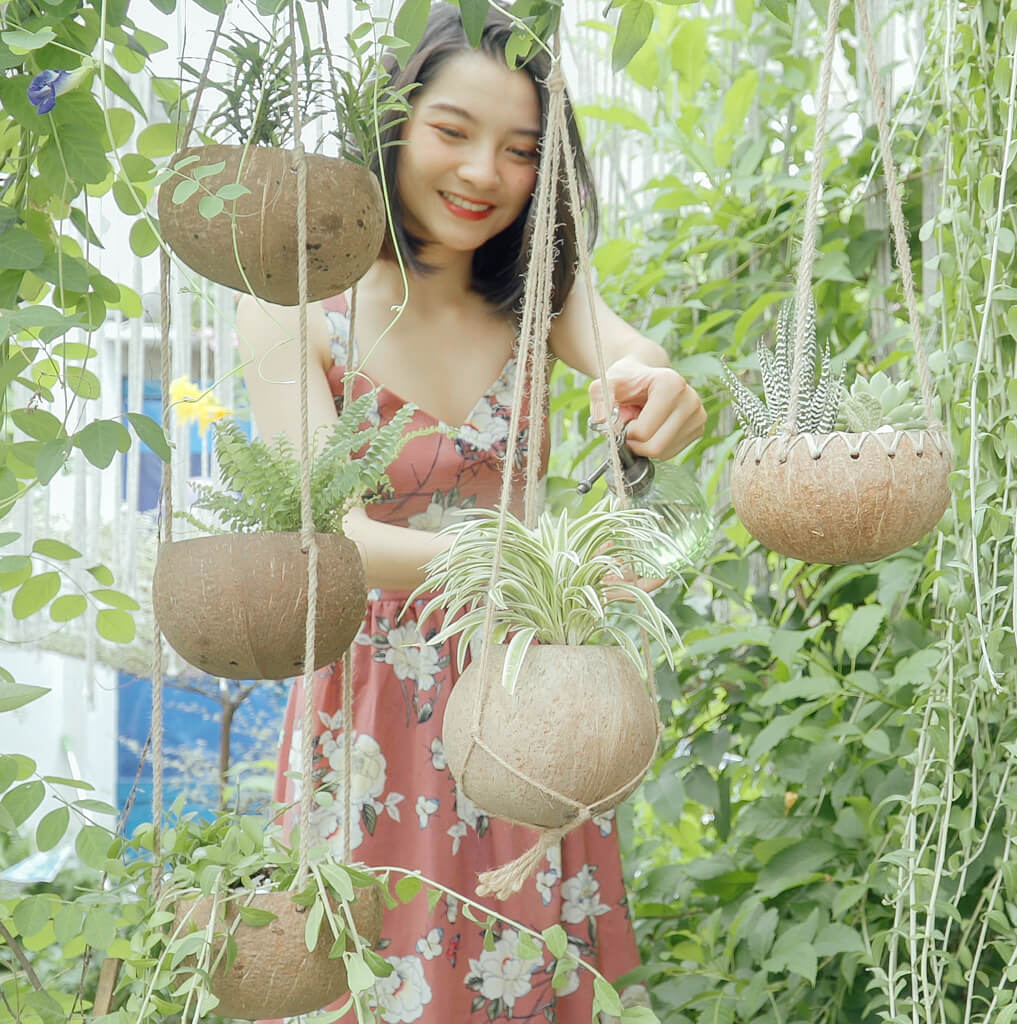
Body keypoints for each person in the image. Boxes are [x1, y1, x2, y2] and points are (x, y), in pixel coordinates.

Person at [235, 4, 706, 1021]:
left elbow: (635, 357)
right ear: (392, 126)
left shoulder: (535, 289)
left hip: (523, 705)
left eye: (522, 149)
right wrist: (529, 557)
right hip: (368, 706)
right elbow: (334, 537)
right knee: (366, 975)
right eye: (453, 132)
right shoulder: (297, 303)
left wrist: (653, 391)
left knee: (522, 980)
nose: (485, 172)